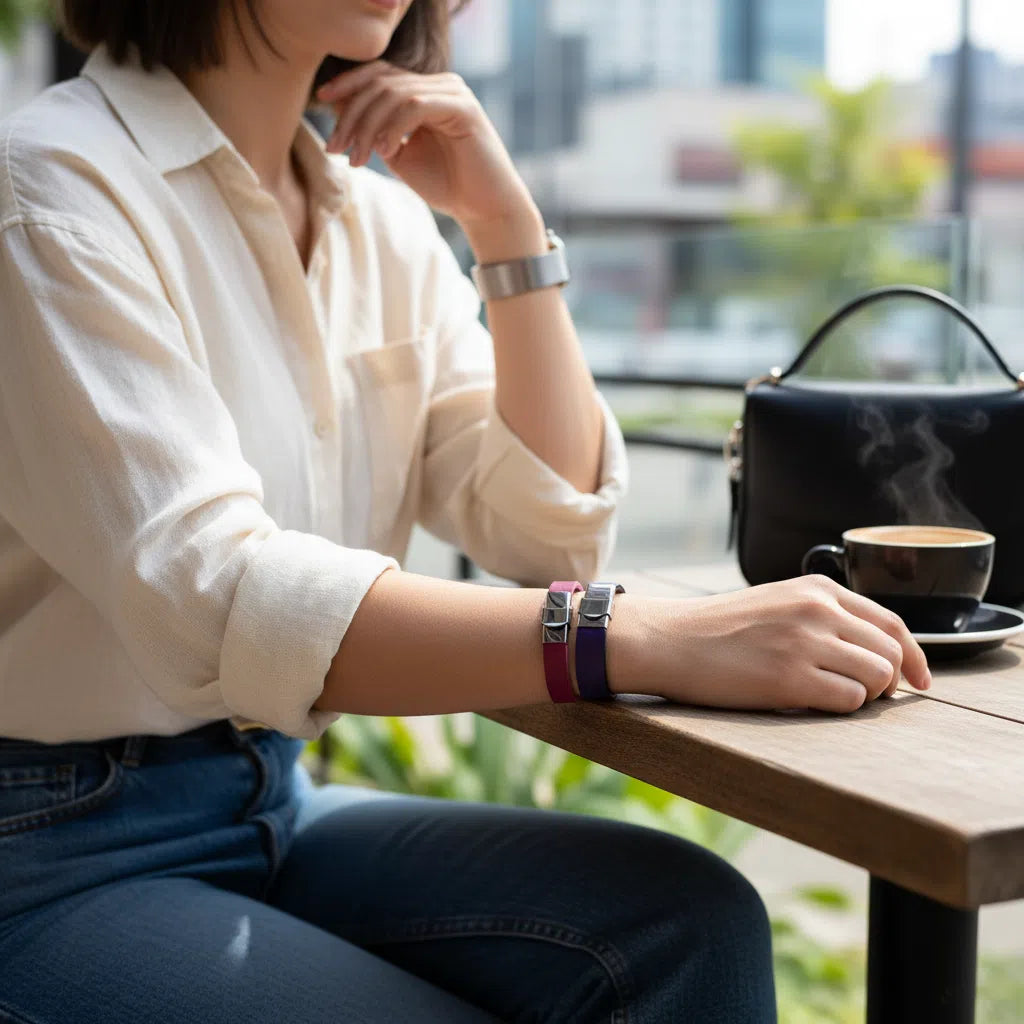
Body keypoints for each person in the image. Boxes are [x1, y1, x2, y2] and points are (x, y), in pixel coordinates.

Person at [0, 2, 931, 1021]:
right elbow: (222, 597)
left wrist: (505, 230)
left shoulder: (381, 222)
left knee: (690, 925)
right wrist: (645, 634)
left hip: (268, 797)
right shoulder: (50, 192)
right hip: (48, 846)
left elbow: (545, 532)